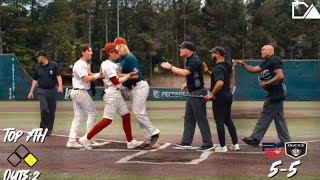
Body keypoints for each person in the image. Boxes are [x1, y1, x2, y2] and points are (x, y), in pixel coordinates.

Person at [79, 43, 144, 150]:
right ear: (110, 53)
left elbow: (118, 76)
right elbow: (115, 81)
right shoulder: (107, 64)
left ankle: (130, 141)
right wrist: (128, 76)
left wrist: (130, 74)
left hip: (115, 93)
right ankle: (86, 138)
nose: (118, 54)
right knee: (107, 120)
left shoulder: (110, 64)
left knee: (126, 116)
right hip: (112, 93)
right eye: (116, 52)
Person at [161, 41, 214, 151]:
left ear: (188, 50)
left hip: (198, 92)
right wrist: (186, 83)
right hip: (192, 92)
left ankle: (208, 143)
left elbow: (185, 73)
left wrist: (170, 67)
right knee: (189, 118)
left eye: (182, 48)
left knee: (201, 119)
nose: (180, 50)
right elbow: (195, 75)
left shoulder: (194, 60)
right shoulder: (190, 60)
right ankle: (186, 143)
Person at [234, 45, 291, 147]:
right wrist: (243, 64)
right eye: (261, 49)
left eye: (264, 49)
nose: (261, 51)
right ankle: (285, 140)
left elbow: (280, 75)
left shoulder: (275, 59)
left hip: (276, 90)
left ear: (271, 50)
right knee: (279, 117)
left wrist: (267, 83)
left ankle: (255, 138)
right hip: (275, 89)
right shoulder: (267, 61)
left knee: (266, 113)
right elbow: (254, 69)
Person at [114, 37, 160, 149]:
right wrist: (125, 87)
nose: (115, 49)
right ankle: (149, 138)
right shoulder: (118, 60)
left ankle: (154, 133)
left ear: (122, 45)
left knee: (138, 112)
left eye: (117, 46)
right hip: (131, 88)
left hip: (140, 86)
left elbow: (135, 75)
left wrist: (121, 76)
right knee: (139, 113)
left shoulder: (130, 57)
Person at [204, 46, 239, 152]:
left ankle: (222, 146)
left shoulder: (218, 68)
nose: (211, 55)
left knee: (219, 121)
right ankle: (235, 144)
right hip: (228, 95)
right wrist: (208, 72)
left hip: (220, 97)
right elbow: (220, 77)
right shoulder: (226, 66)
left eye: (213, 53)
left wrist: (211, 94)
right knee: (228, 120)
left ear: (218, 54)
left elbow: (220, 82)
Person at [66, 44, 100, 149]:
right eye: (89, 50)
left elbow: (90, 75)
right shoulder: (80, 64)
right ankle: (88, 138)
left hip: (77, 91)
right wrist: (100, 74)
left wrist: (100, 73)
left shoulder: (85, 64)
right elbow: (86, 79)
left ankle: (71, 140)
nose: (91, 52)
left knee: (78, 116)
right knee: (93, 113)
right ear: (83, 52)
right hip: (80, 91)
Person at [28, 50, 63, 136]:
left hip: (52, 90)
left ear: (43, 56)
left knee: (51, 111)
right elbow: (35, 80)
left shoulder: (53, 65)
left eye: (38, 56)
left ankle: (48, 129)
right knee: (44, 109)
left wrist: (60, 86)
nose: (37, 58)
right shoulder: (37, 67)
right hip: (41, 90)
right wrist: (31, 92)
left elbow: (58, 76)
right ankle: (43, 128)